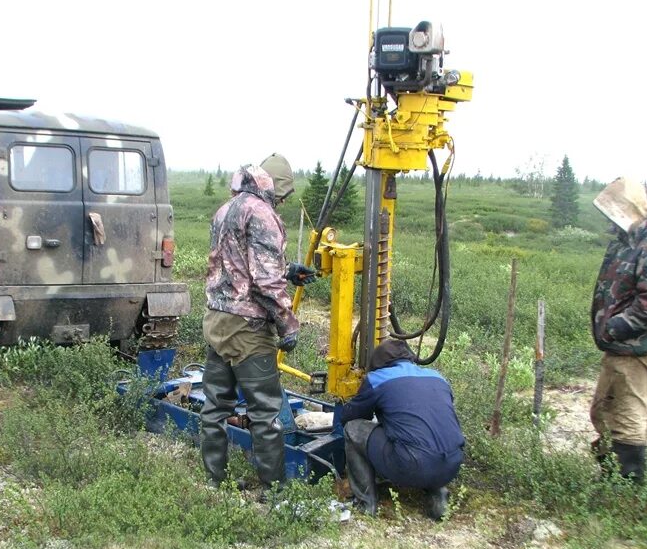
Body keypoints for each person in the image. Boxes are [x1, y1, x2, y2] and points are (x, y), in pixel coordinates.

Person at [199, 154, 315, 491]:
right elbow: (264, 284)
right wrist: (287, 324)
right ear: (276, 188)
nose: (282, 202)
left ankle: (213, 481)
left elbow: (235, 263)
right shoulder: (263, 214)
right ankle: (274, 491)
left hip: (217, 321)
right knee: (265, 413)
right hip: (248, 330)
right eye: (284, 196)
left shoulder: (227, 209)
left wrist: (286, 268)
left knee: (214, 406)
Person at [589, 177, 647, 483]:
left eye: (616, 209)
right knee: (603, 411)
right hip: (617, 347)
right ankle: (609, 474)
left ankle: (627, 489)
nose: (611, 216)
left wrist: (614, 327)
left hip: (636, 348)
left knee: (627, 417)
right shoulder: (626, 238)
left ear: (631, 207)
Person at [340, 338, 465, 519]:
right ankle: (438, 497)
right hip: (452, 465)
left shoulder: (378, 379)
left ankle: (365, 504)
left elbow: (350, 417)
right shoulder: (438, 377)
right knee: (429, 435)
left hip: (411, 464)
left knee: (353, 429)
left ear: (378, 362)